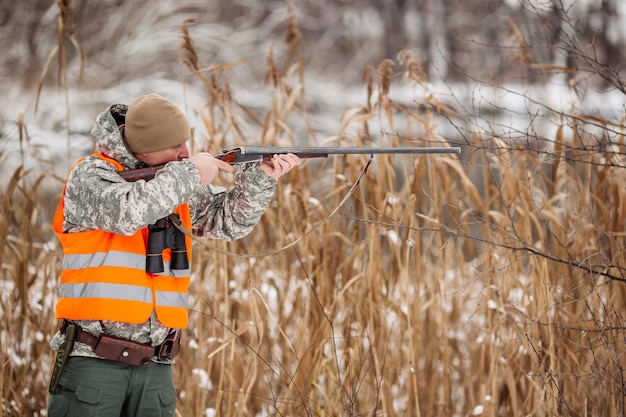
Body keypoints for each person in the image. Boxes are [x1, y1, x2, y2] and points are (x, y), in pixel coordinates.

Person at [47, 93, 300, 416]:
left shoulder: (172, 181)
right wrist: (190, 174)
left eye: (186, 142)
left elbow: (228, 222)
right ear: (145, 147)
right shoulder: (91, 176)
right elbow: (127, 211)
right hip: (94, 363)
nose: (186, 153)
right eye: (175, 146)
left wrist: (261, 178)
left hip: (157, 366)